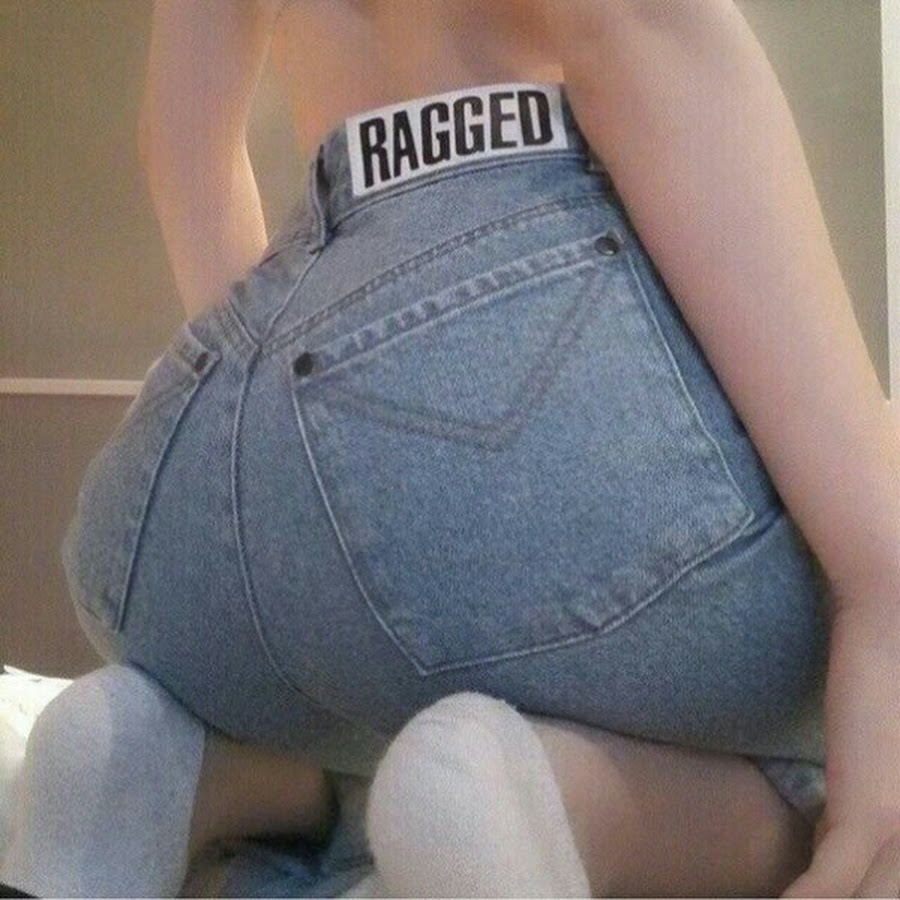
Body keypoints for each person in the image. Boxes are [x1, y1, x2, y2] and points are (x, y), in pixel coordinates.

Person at [2, 0, 899, 896]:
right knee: (815, 690)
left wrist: (286, 448)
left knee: (370, 672)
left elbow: (181, 148)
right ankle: (527, 801)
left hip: (202, 441)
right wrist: (880, 580)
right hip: (520, 317)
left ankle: (149, 765)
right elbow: (633, 22)